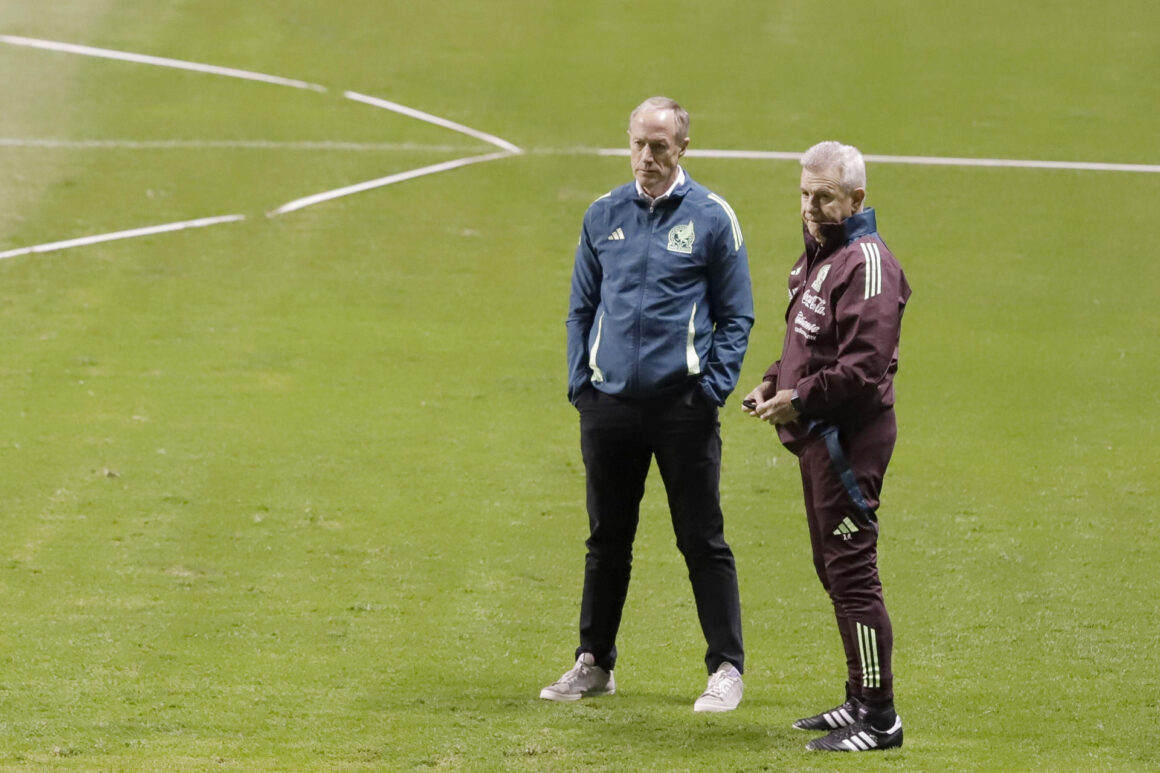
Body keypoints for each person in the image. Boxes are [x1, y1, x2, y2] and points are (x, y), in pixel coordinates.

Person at [541, 96, 754, 712]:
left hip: (682, 407)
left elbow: (736, 314)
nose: (646, 157)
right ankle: (594, 662)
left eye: (660, 146)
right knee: (606, 540)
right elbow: (581, 308)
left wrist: (710, 389)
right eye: (638, 143)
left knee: (701, 540)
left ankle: (726, 668)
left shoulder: (713, 218)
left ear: (682, 148)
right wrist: (582, 386)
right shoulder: (603, 214)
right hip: (608, 408)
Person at [742, 141, 910, 751]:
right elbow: (807, 341)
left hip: (848, 443)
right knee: (833, 570)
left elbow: (862, 368)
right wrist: (772, 379)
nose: (811, 208)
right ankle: (859, 697)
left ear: (856, 199)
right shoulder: (822, 255)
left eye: (825, 198)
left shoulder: (867, 263)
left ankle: (882, 717)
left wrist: (801, 398)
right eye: (805, 195)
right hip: (819, 438)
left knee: (853, 574)